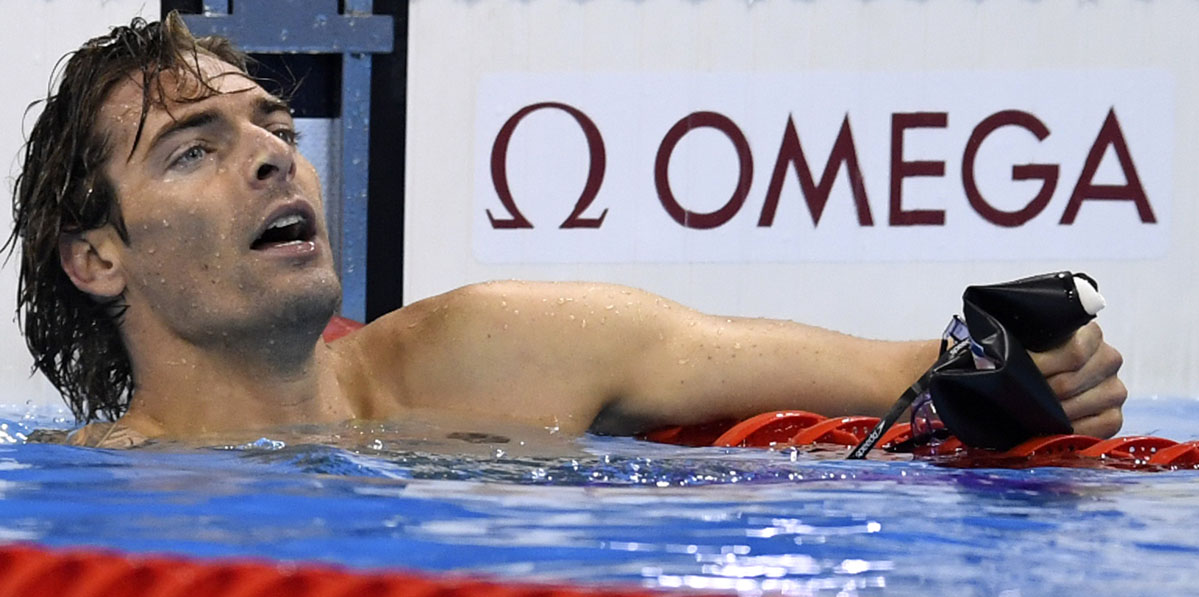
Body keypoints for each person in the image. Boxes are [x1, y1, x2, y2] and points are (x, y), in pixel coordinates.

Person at [5, 13, 1126, 449]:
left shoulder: (501, 351)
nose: (269, 154)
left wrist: (1028, 370)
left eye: (271, 124)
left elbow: (913, 375)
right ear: (96, 255)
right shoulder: (80, 507)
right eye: (191, 148)